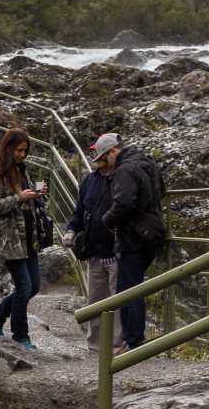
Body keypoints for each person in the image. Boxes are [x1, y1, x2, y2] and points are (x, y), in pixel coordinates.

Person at [95, 132, 167, 353]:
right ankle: (132, 340)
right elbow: (162, 190)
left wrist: (107, 220)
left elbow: (124, 202)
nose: (106, 164)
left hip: (133, 237)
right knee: (133, 287)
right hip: (152, 232)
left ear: (112, 152)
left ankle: (133, 343)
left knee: (128, 290)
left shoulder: (124, 170)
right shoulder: (147, 162)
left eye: (104, 158)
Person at [0, 128, 50, 349]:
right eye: (18, 150)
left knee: (34, 286)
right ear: (8, 147)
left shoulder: (22, 169)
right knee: (24, 287)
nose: (22, 154)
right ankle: (20, 335)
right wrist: (19, 198)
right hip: (11, 240)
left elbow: (26, 199)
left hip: (29, 238)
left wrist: (37, 194)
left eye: (25, 151)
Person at [65, 139, 121, 351]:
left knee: (118, 302)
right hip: (95, 252)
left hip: (117, 252)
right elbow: (80, 210)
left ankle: (117, 347)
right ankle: (94, 345)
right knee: (95, 300)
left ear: (108, 153)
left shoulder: (122, 178)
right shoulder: (89, 180)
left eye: (97, 153)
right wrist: (71, 230)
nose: (94, 156)